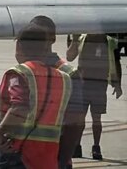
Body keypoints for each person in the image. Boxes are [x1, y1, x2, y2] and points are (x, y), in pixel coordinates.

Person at [0, 24, 72, 169]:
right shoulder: (64, 78)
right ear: (45, 49)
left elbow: (20, 108)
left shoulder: (19, 73)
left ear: (18, 46)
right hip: (48, 157)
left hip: (19, 153)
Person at [29, 15, 85, 169]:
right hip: (28, 156)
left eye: (41, 37)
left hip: (54, 157)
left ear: (52, 39)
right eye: (32, 37)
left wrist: (62, 161)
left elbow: (75, 122)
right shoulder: (26, 70)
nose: (36, 42)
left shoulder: (68, 73)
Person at [66, 33, 122, 160]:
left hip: (99, 85)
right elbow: (70, 57)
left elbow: (116, 62)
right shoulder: (80, 39)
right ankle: (77, 146)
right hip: (82, 84)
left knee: (96, 119)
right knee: (80, 119)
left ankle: (96, 146)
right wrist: (74, 40)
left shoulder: (109, 42)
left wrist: (117, 83)